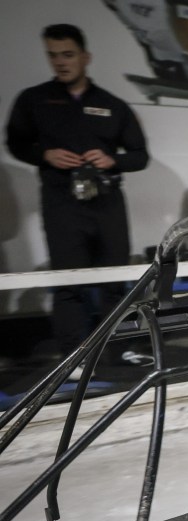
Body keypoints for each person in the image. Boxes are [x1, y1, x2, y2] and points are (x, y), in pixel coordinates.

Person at [5, 24, 151, 375]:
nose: (60, 62)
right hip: (62, 203)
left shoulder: (112, 105)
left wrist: (112, 159)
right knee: (68, 281)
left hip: (107, 203)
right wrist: (46, 154)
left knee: (115, 280)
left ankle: (118, 349)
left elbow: (140, 156)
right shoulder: (34, 99)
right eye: (53, 55)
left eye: (67, 55)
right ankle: (74, 356)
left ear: (85, 57)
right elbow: (17, 143)